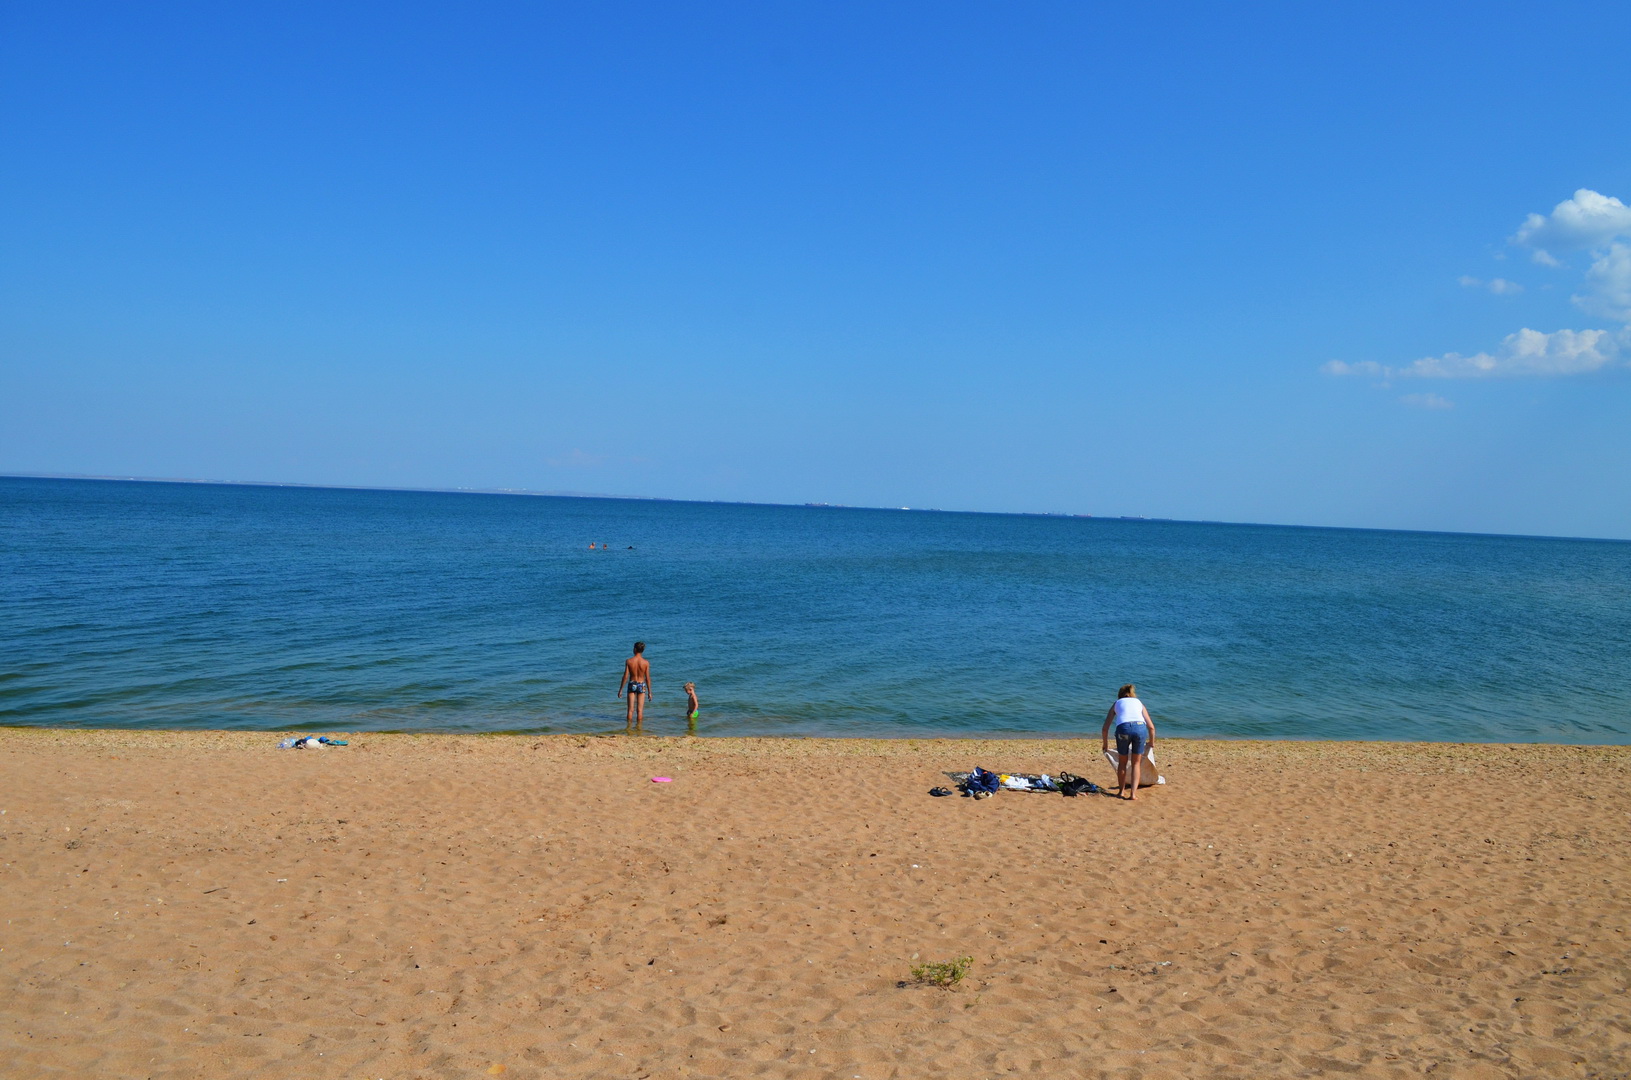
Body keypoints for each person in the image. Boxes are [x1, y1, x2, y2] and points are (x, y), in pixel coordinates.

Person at [1101, 683, 1156, 801]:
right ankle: (1133, 794)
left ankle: (1121, 792)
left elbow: (1105, 728)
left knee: (1122, 762)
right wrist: (1151, 743)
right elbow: (1151, 727)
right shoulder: (1139, 703)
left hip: (1123, 730)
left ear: (1120, 696)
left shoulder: (1117, 703)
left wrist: (1105, 745)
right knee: (1136, 763)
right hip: (1140, 729)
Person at [617, 642, 652, 732]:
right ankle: (639, 729)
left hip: (632, 684)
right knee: (640, 710)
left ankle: (628, 728)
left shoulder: (629, 661)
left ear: (635, 649)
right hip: (641, 684)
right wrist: (650, 692)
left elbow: (625, 676)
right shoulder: (646, 663)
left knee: (630, 710)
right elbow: (647, 678)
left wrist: (621, 689)